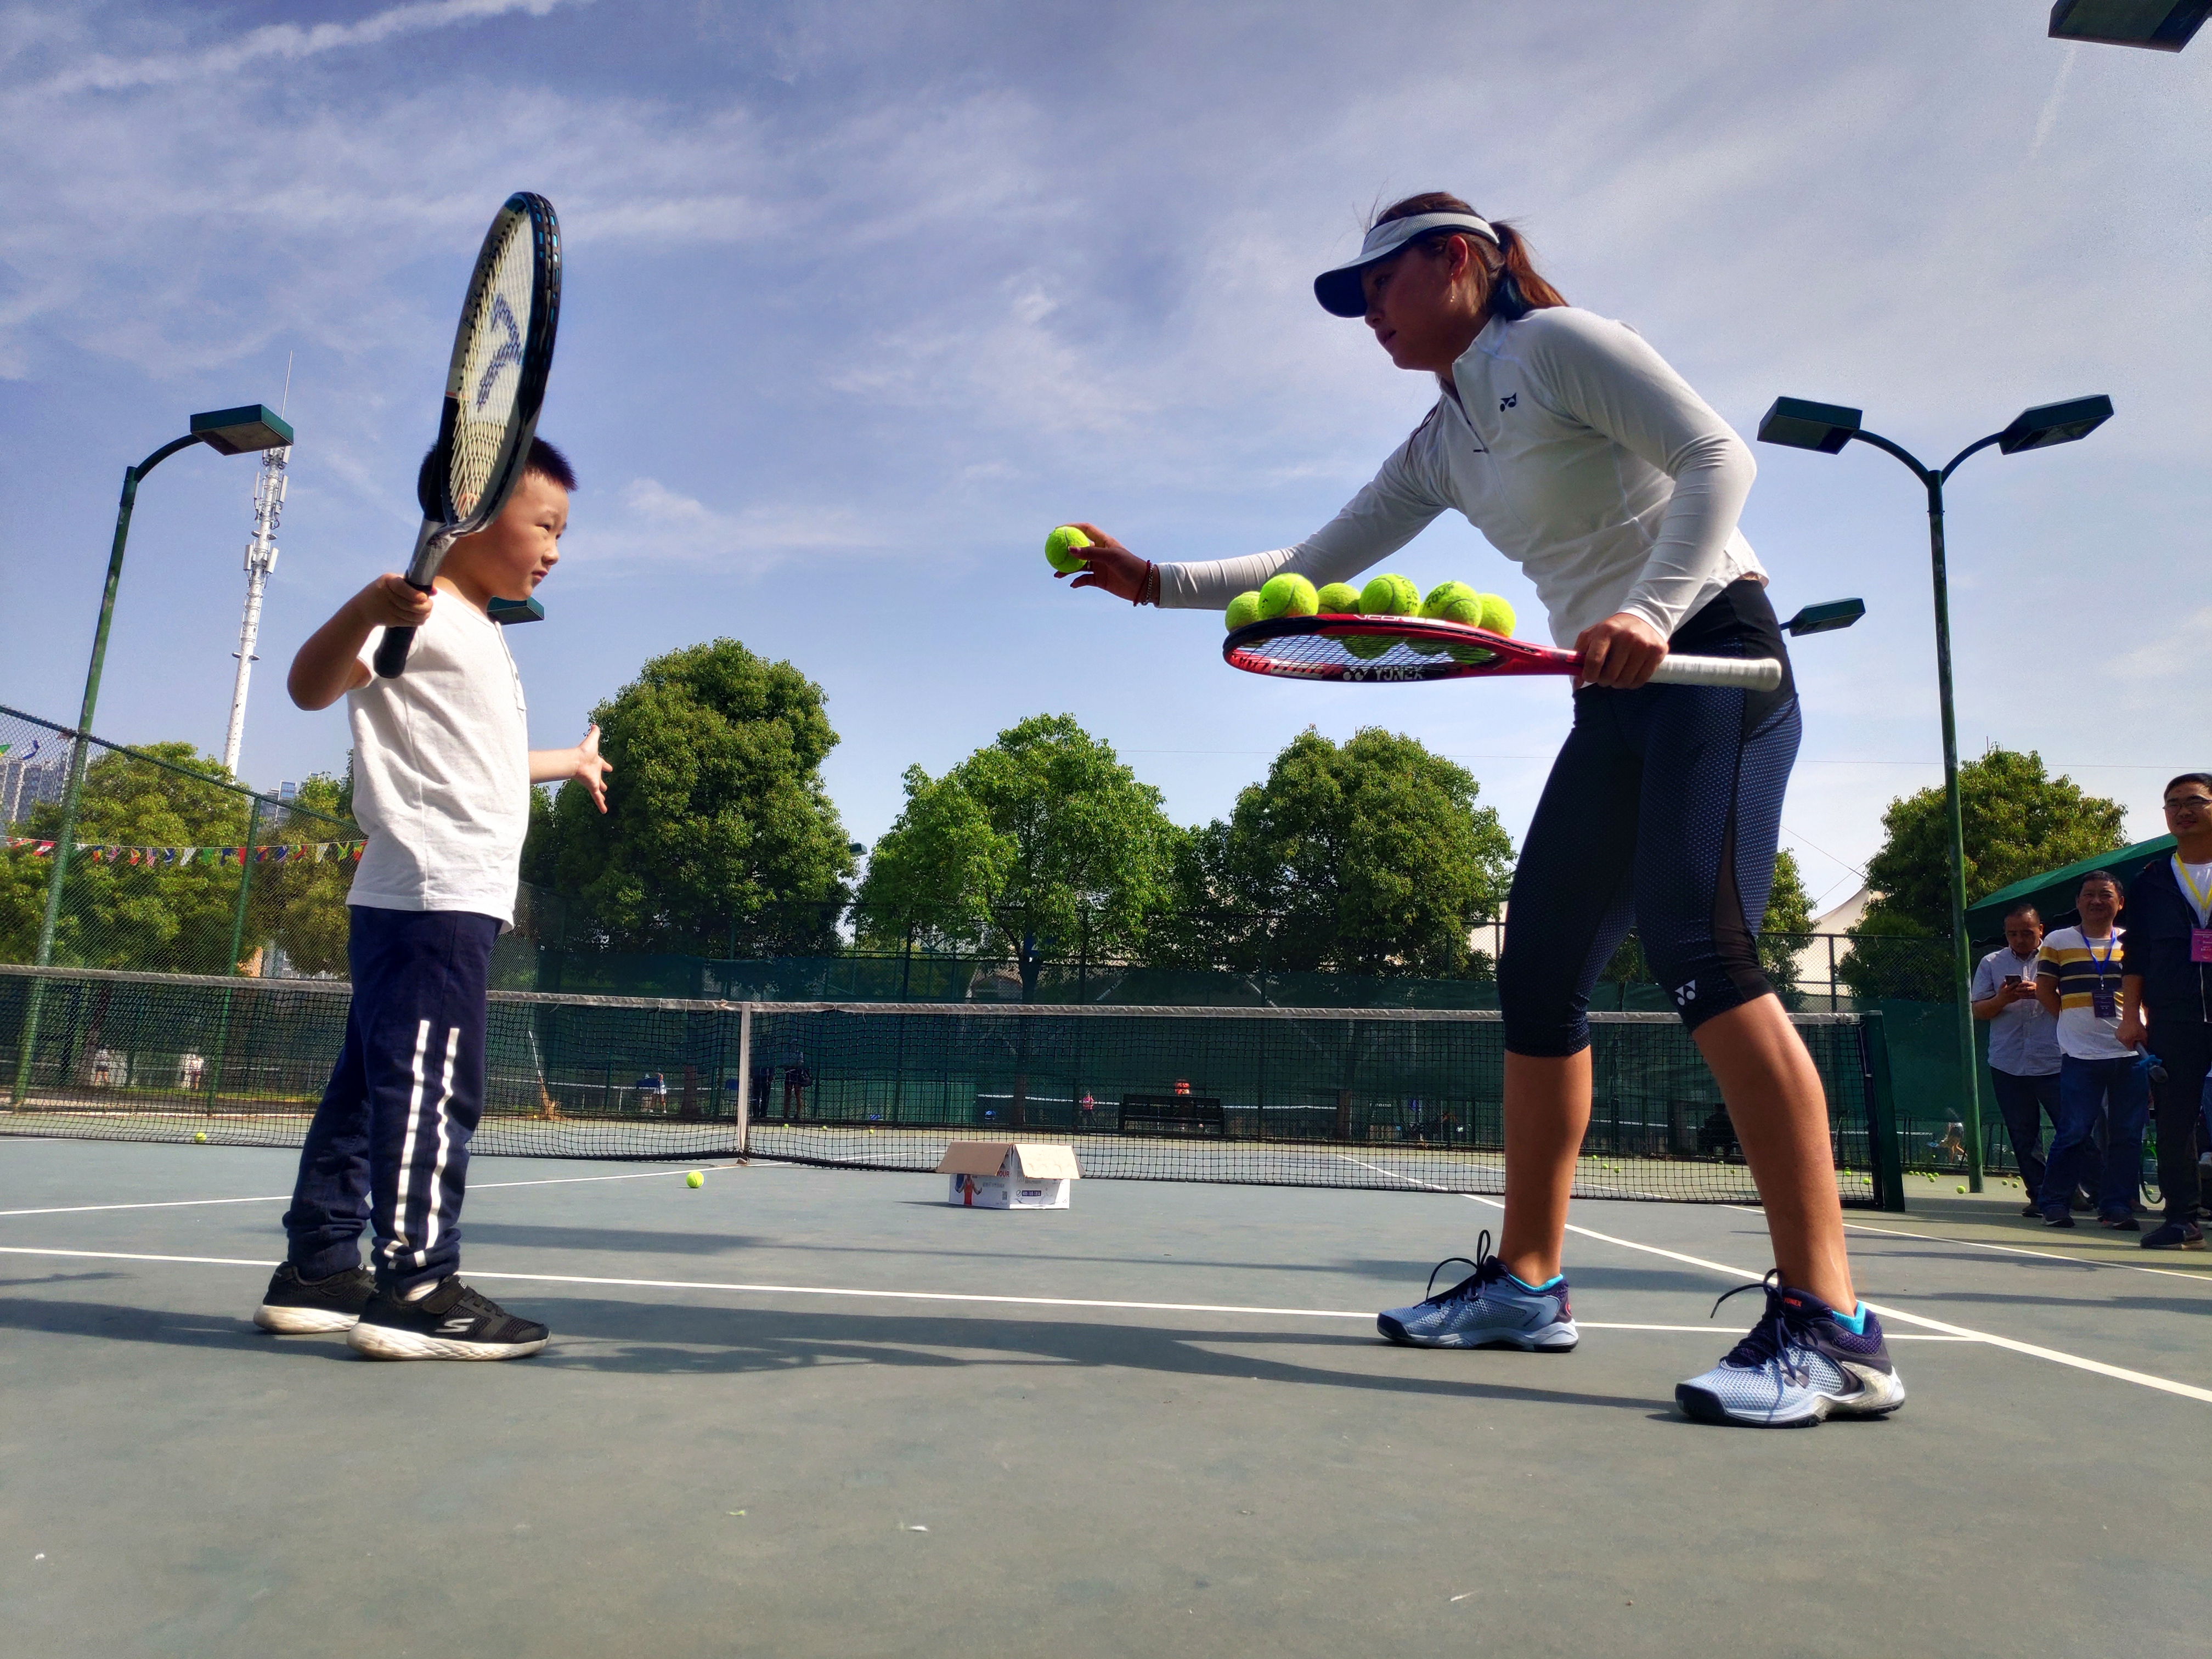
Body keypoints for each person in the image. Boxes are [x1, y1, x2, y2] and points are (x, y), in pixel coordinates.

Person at [1057, 192, 1901, 1427]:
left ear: (1460, 260)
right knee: (1541, 971)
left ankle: (1835, 1326)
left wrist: (1653, 612)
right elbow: (1316, 564)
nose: (1369, 317)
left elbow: (1722, 456)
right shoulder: (1444, 436)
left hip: (1713, 658)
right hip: (1614, 697)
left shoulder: (1556, 346)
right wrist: (1156, 584)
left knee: (1702, 950)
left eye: (1380, 288)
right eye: (1356, 303)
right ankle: (1527, 1284)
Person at [251, 438, 610, 1359]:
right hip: (433, 889)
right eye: (546, 524)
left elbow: (482, 760)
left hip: (429, 892)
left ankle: (322, 1267)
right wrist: (367, 607)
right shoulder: (413, 614)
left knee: (369, 1084)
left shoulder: (478, 627)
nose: (556, 548)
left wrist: (567, 762)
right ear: (473, 511)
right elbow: (306, 684)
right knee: (432, 1084)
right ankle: (414, 1284)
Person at [2117, 774, 2212, 1250]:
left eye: (2194, 801)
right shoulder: (2152, 881)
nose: (2182, 810)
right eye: (2172, 804)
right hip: (2174, 1016)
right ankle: (2183, 1221)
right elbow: (2135, 954)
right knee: (2175, 1120)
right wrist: (2132, 1017)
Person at [2034, 871, 2149, 1232]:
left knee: (2128, 1135)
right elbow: (2045, 992)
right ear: (2078, 901)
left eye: (2105, 895)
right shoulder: (2057, 941)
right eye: (2088, 895)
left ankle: (2115, 1205)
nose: (2096, 901)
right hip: (2080, 1057)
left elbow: (2147, 994)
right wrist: (2072, 1024)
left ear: (2120, 903)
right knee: (2074, 1132)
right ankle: (2054, 1202)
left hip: (2131, 1056)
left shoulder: (2134, 942)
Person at [1971, 904, 2068, 1216]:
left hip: (2055, 1059)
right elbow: (1978, 1011)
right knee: (2023, 1134)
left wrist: (2041, 991)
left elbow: (2075, 1004)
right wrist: (2003, 998)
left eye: (2027, 932)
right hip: (2008, 1062)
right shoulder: (1991, 962)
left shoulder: (2058, 958)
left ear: (2041, 930)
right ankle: (2039, 1196)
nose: (2020, 939)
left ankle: (2076, 1190)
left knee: (2073, 1129)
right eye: (2013, 934)